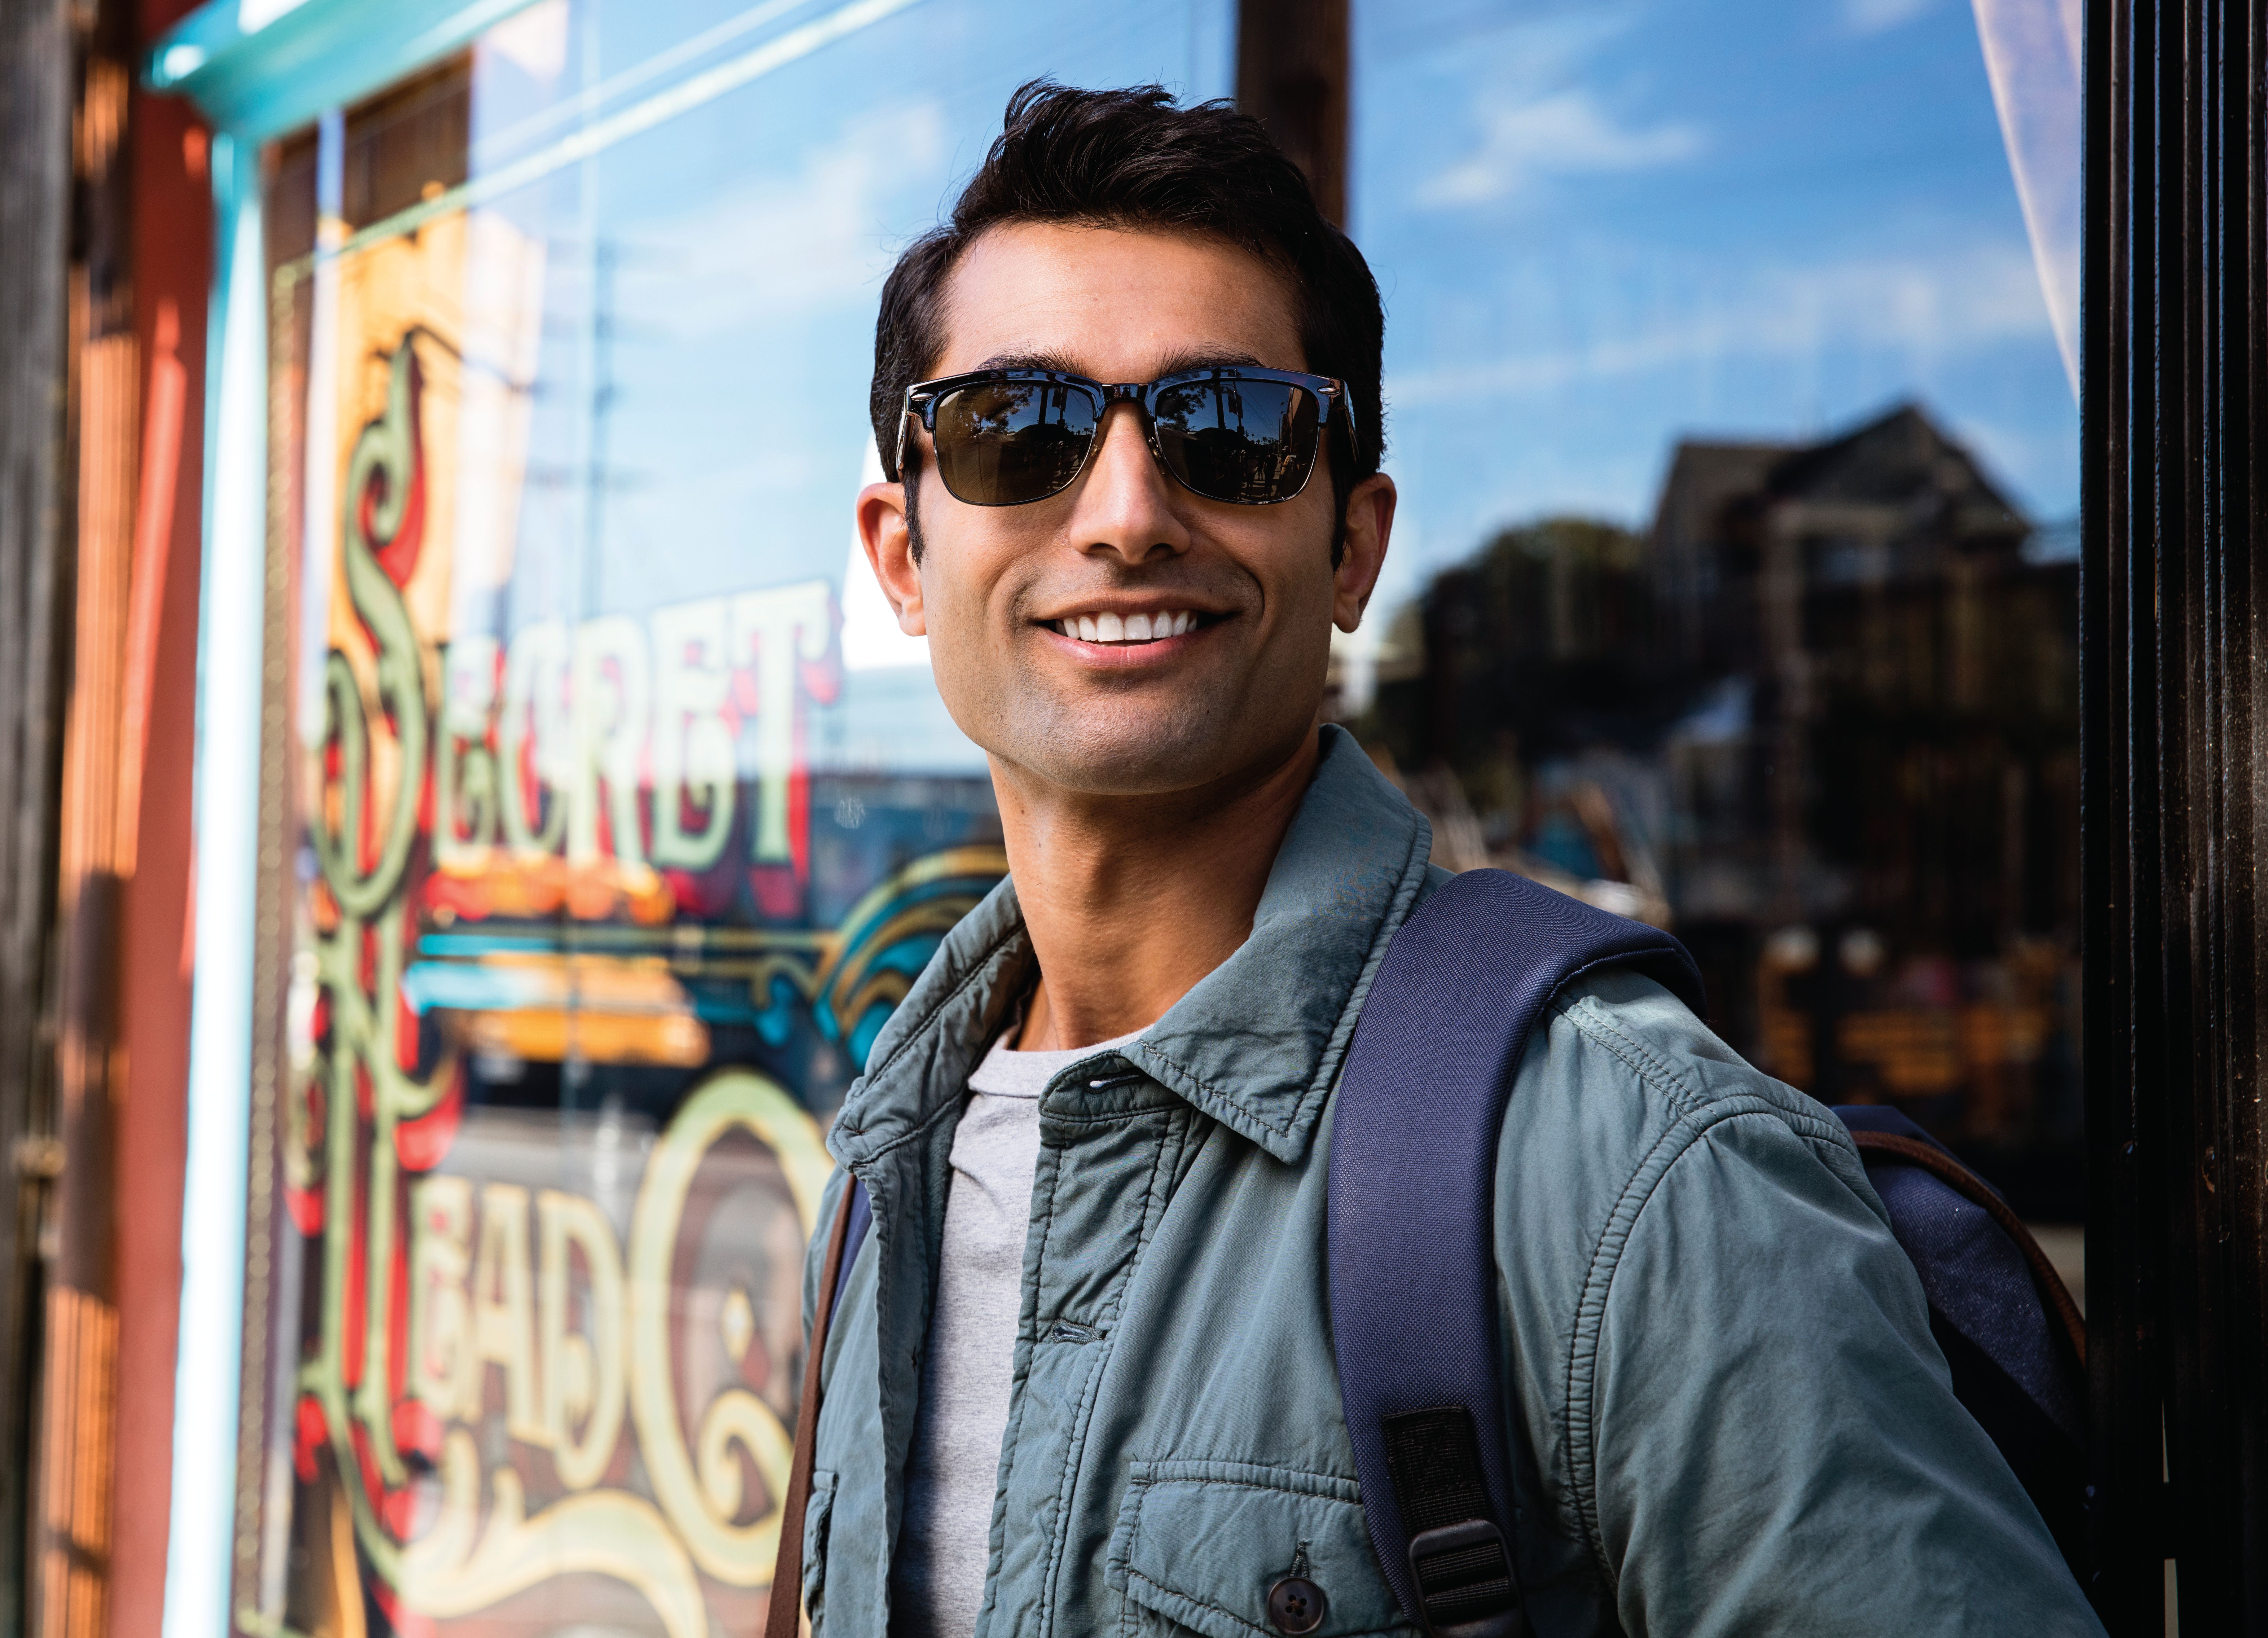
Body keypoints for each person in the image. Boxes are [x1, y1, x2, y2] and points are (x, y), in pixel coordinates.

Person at [794, 80, 2102, 1638]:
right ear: (901, 554)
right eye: (1022, 431)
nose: (1129, 512)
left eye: (1231, 430)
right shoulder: (890, 1169)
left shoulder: (1629, 1166)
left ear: (1352, 544)